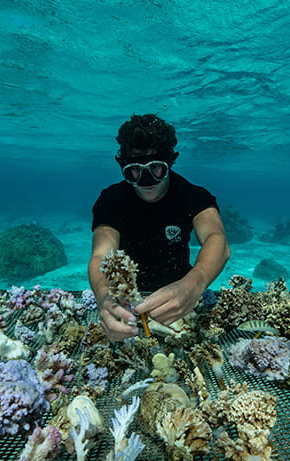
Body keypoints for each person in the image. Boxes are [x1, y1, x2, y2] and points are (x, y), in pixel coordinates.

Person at [88, 114, 230, 341]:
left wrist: (193, 285)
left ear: (170, 163)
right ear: (123, 167)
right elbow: (100, 255)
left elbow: (217, 240)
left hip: (184, 295)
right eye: (134, 170)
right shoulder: (111, 201)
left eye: (156, 168)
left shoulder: (193, 196)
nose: (146, 180)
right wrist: (104, 298)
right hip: (128, 303)